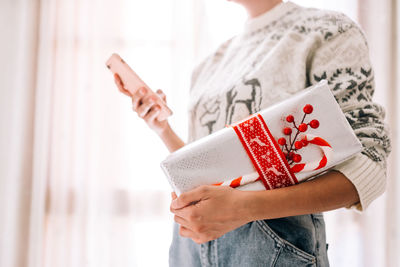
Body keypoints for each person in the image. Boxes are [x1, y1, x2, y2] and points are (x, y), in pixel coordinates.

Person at [114, 0, 391, 266]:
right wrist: (162, 128)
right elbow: (209, 176)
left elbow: (368, 165)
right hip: (191, 247)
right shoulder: (210, 64)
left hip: (273, 246)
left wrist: (244, 208)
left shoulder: (327, 30)